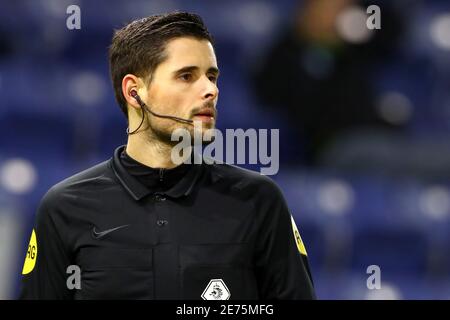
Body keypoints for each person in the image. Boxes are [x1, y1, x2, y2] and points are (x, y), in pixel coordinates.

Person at [19, 12, 315, 300]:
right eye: (187, 76)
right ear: (134, 92)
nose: (210, 90)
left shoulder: (258, 200)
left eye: (212, 77)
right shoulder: (65, 208)